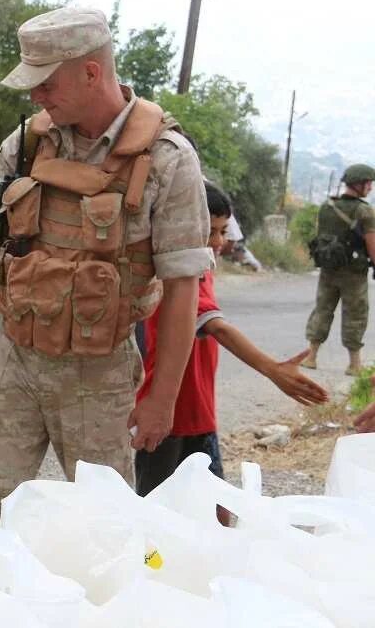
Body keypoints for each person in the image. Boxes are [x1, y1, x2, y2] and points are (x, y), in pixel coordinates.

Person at [0, 6, 214, 525]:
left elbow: (183, 283)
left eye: (46, 83)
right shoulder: (30, 142)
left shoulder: (167, 158)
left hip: (98, 370)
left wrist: (161, 398)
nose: (36, 95)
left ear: (91, 72)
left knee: (107, 525)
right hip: (15, 355)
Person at [134, 183, 329, 497]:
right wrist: (272, 369)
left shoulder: (201, 266)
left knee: (216, 505)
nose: (218, 241)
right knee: (156, 504)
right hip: (170, 412)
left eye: (223, 231)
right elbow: (216, 326)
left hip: (197, 407)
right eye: (210, 231)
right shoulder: (179, 272)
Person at [303, 164, 375, 375]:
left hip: (328, 269)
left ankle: (311, 356)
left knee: (322, 309)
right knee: (355, 313)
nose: (370, 188)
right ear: (359, 184)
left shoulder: (327, 207)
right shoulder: (364, 211)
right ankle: (354, 364)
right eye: (368, 183)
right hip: (354, 272)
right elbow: (372, 245)